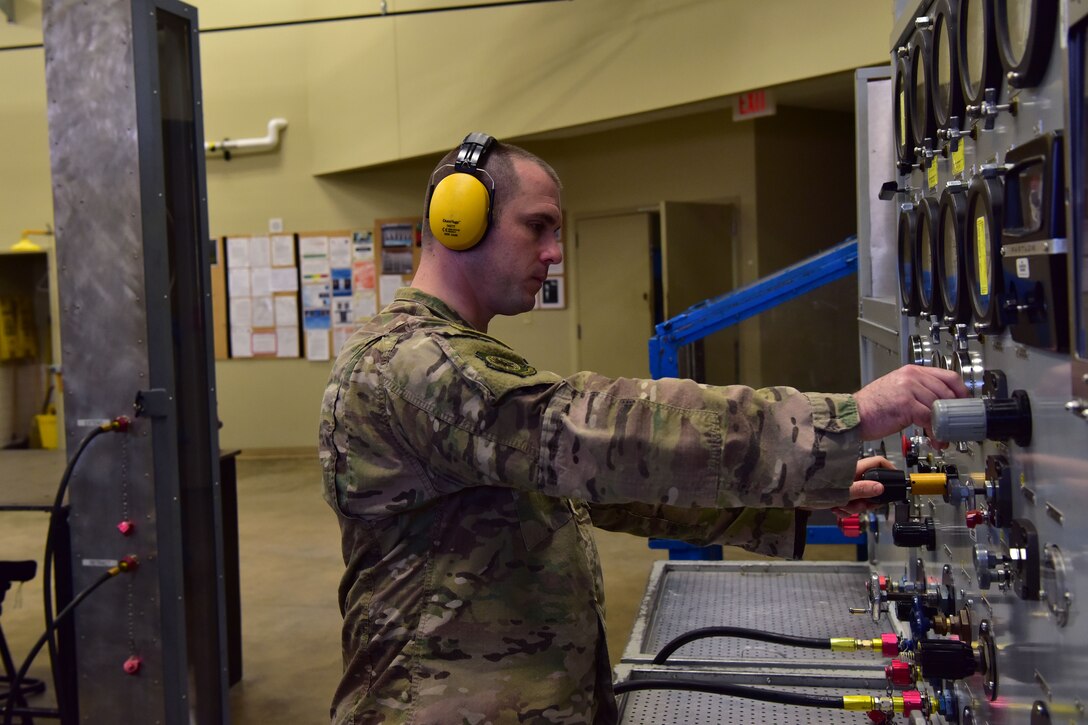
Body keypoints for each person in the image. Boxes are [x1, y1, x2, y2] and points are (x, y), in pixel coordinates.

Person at [318, 133, 968, 724]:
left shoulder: (462, 357)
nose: (552, 251)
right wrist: (840, 420)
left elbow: (594, 489)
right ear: (456, 219)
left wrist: (790, 496)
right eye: (537, 226)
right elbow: (601, 432)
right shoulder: (409, 365)